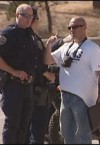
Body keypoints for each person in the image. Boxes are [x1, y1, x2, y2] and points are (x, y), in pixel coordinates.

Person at [43, 16, 100, 144]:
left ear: (84, 28)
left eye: (75, 26)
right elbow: (47, 61)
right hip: (65, 97)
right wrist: (48, 45)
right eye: (70, 27)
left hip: (83, 99)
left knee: (83, 134)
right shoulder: (66, 47)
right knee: (66, 133)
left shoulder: (92, 48)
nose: (72, 29)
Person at [0, 4, 38, 144]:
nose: (29, 19)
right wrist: (14, 71)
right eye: (26, 16)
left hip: (27, 87)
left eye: (31, 16)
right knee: (12, 125)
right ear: (17, 15)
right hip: (13, 86)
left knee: (24, 126)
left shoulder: (30, 34)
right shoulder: (8, 34)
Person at [25, 8, 55, 144]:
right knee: (38, 128)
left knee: (25, 127)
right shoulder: (32, 39)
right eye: (36, 19)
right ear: (33, 20)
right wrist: (47, 74)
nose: (37, 22)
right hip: (37, 90)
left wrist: (48, 45)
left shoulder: (26, 36)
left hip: (28, 89)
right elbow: (37, 63)